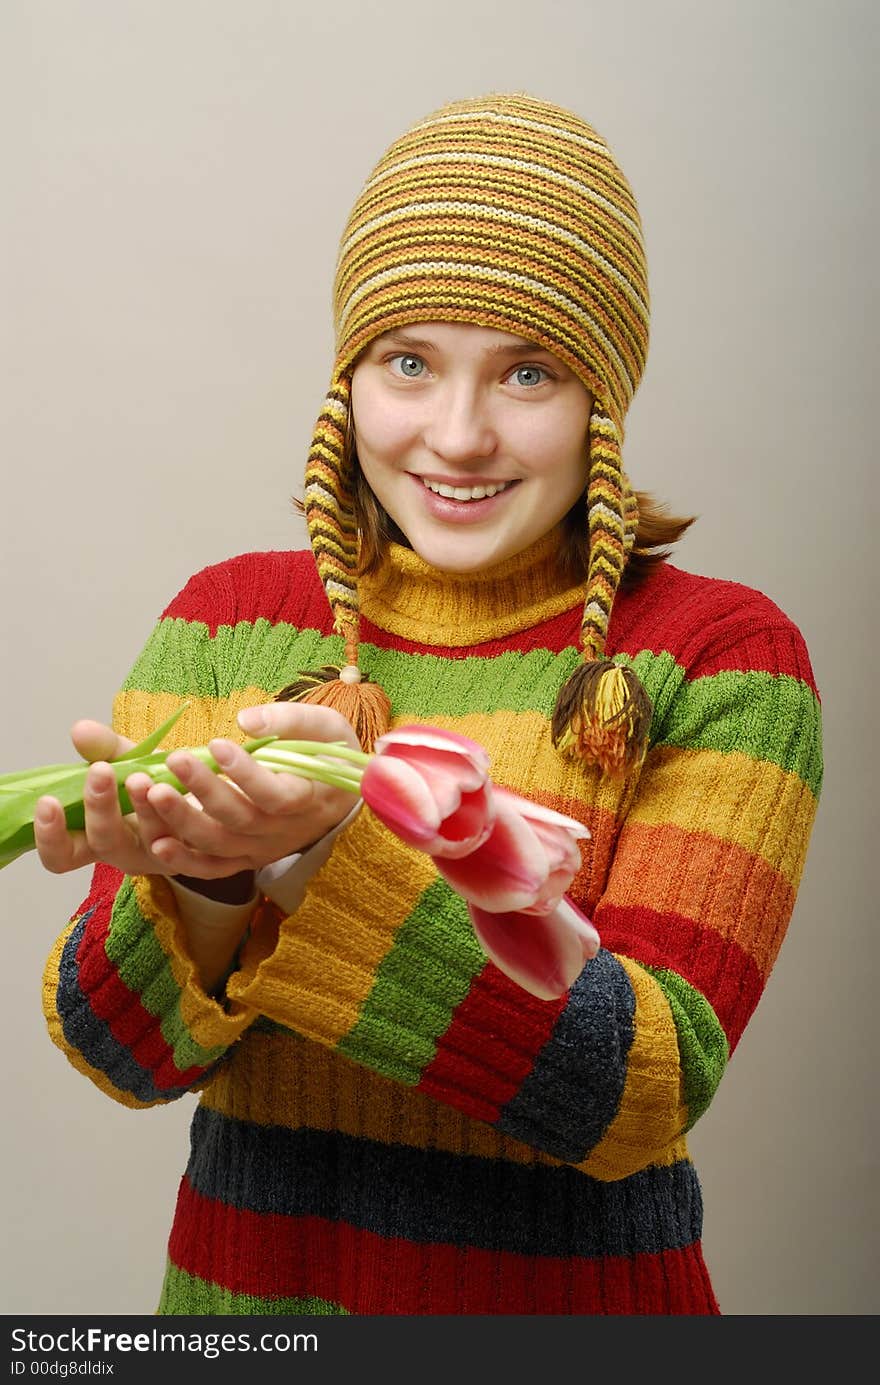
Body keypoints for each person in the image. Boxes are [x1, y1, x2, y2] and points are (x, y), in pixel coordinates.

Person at [35, 92, 822, 1315]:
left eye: (528, 370)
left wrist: (320, 859)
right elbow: (119, 1052)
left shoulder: (720, 657)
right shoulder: (227, 622)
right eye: (409, 360)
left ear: (602, 402)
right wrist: (208, 887)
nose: (458, 435)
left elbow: (639, 1091)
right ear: (348, 379)